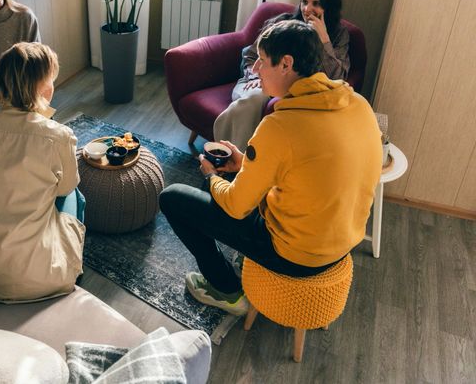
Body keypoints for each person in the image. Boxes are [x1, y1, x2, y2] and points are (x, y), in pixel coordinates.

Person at [160, 20, 382, 315]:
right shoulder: (359, 105)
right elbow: (311, 172)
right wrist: (245, 165)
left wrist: (212, 175)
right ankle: (236, 263)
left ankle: (226, 290)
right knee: (222, 184)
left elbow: (237, 206)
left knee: (173, 198)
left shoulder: (280, 126)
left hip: (295, 254)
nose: (254, 70)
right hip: (342, 241)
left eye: (262, 61)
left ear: (286, 64)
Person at [0, 42, 86, 302]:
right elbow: (66, 188)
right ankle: (73, 268)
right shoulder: (58, 136)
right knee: (75, 193)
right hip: (35, 280)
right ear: (44, 88)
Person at [213, 0, 350, 150]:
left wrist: (323, 38)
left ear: (328, 7)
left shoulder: (339, 35)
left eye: (316, 4)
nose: (307, 9)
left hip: (297, 93)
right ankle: (232, 156)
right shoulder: (282, 24)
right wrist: (257, 75)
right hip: (257, 83)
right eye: (304, 2)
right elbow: (250, 55)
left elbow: (337, 79)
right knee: (256, 97)